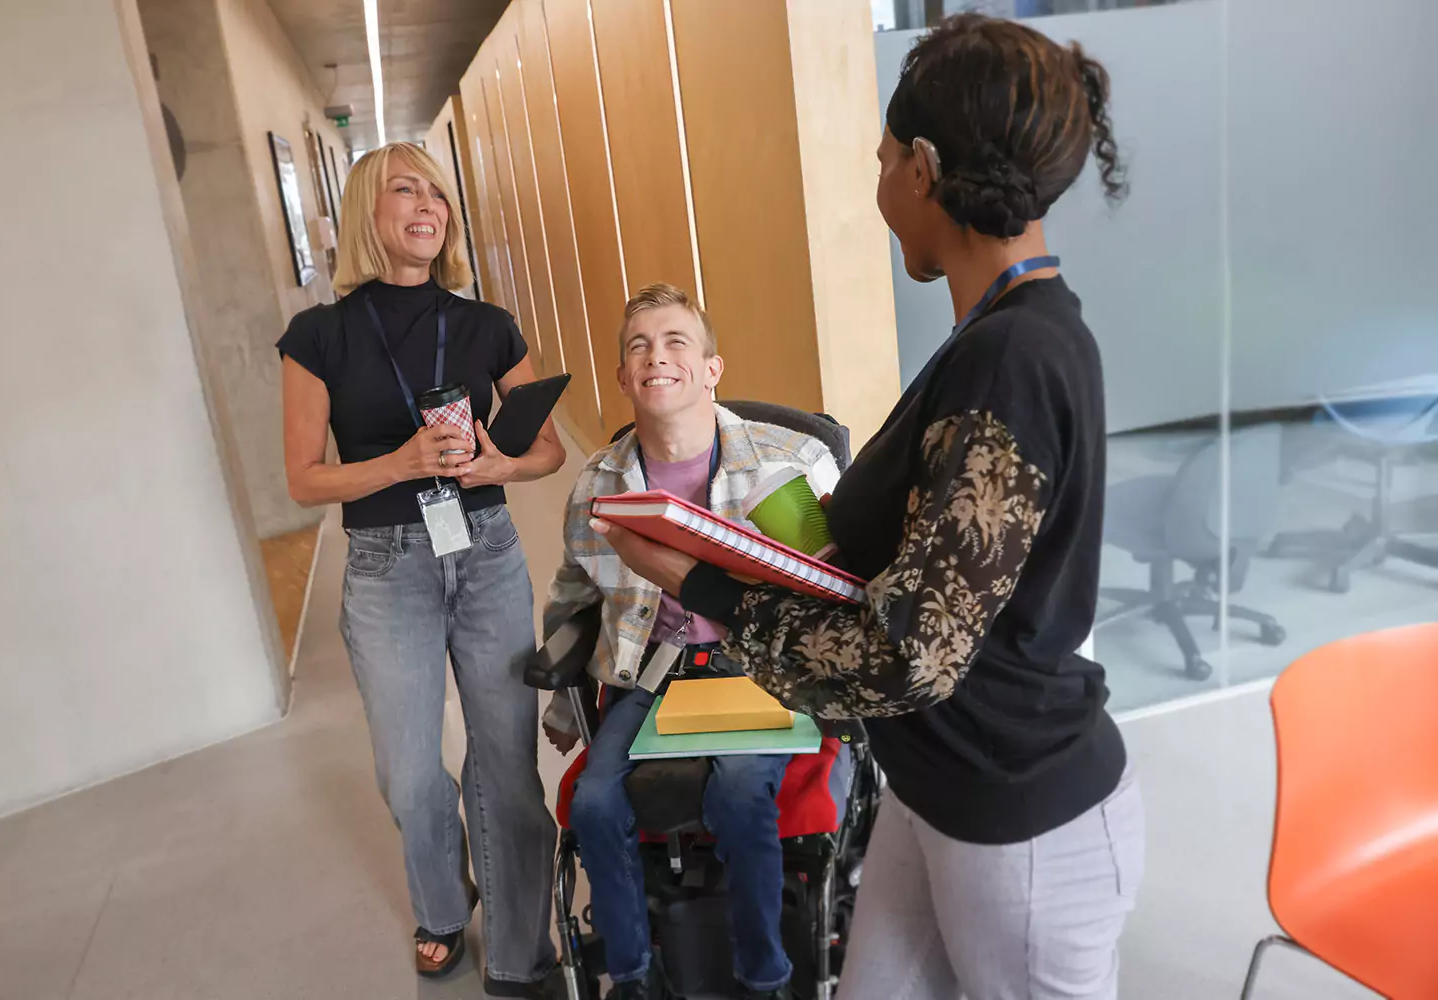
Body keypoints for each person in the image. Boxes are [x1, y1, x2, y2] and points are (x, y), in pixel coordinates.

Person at [591, 15, 1144, 1000]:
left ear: (921, 171)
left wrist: (699, 578)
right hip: (934, 787)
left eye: (883, 159)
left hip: (1015, 812)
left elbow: (909, 654)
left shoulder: (1013, 359)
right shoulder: (1002, 338)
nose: (878, 183)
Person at [278, 141, 565, 997]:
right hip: (383, 566)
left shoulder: (487, 324)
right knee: (406, 773)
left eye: (437, 192)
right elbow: (302, 478)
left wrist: (498, 467)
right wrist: (400, 464)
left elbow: (546, 446)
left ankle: (517, 947)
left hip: (485, 551)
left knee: (507, 759)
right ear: (369, 210)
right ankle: (443, 901)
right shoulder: (317, 335)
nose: (427, 205)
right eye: (406, 189)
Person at [541, 284, 840, 1000]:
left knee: (741, 795)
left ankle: (765, 977)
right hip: (653, 676)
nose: (656, 355)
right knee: (592, 802)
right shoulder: (597, 485)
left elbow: (839, 582)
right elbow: (570, 598)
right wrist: (560, 708)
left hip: (760, 668)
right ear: (622, 378)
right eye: (638, 345)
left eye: (676, 341)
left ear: (711, 368)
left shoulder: (791, 461)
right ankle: (635, 977)